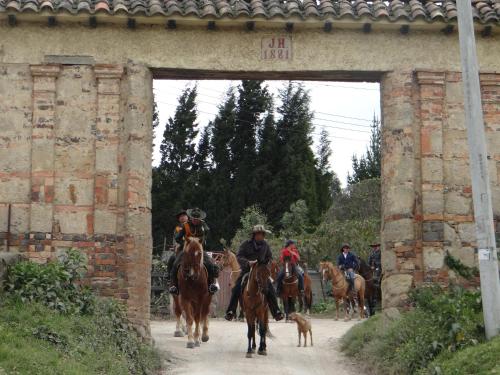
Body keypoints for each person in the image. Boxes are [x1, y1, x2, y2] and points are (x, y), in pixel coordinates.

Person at [224, 225, 284, 322]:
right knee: (236, 288)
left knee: (270, 288)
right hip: (247, 270)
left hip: (261, 271)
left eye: (261, 235)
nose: (260, 236)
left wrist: (266, 264)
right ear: (254, 235)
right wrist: (248, 262)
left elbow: (269, 257)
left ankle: (276, 311)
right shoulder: (245, 244)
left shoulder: (266, 245)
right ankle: (231, 311)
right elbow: (239, 256)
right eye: (258, 234)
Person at [169, 208, 220, 295]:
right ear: (191, 218)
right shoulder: (185, 226)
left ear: (200, 218)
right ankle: (174, 285)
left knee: (211, 264)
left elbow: (207, 233)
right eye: (193, 218)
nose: (195, 220)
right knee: (175, 263)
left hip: (198, 248)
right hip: (186, 248)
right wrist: (185, 243)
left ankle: (211, 284)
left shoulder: (204, 225)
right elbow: (177, 238)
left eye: (197, 219)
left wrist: (200, 241)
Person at [166, 209, 189, 281]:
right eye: (180, 216)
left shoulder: (192, 226)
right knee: (172, 258)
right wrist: (175, 246)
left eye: (184, 215)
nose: (182, 217)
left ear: (187, 217)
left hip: (192, 246)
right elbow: (175, 239)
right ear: (179, 219)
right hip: (181, 247)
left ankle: (211, 278)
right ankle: (169, 275)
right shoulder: (177, 228)